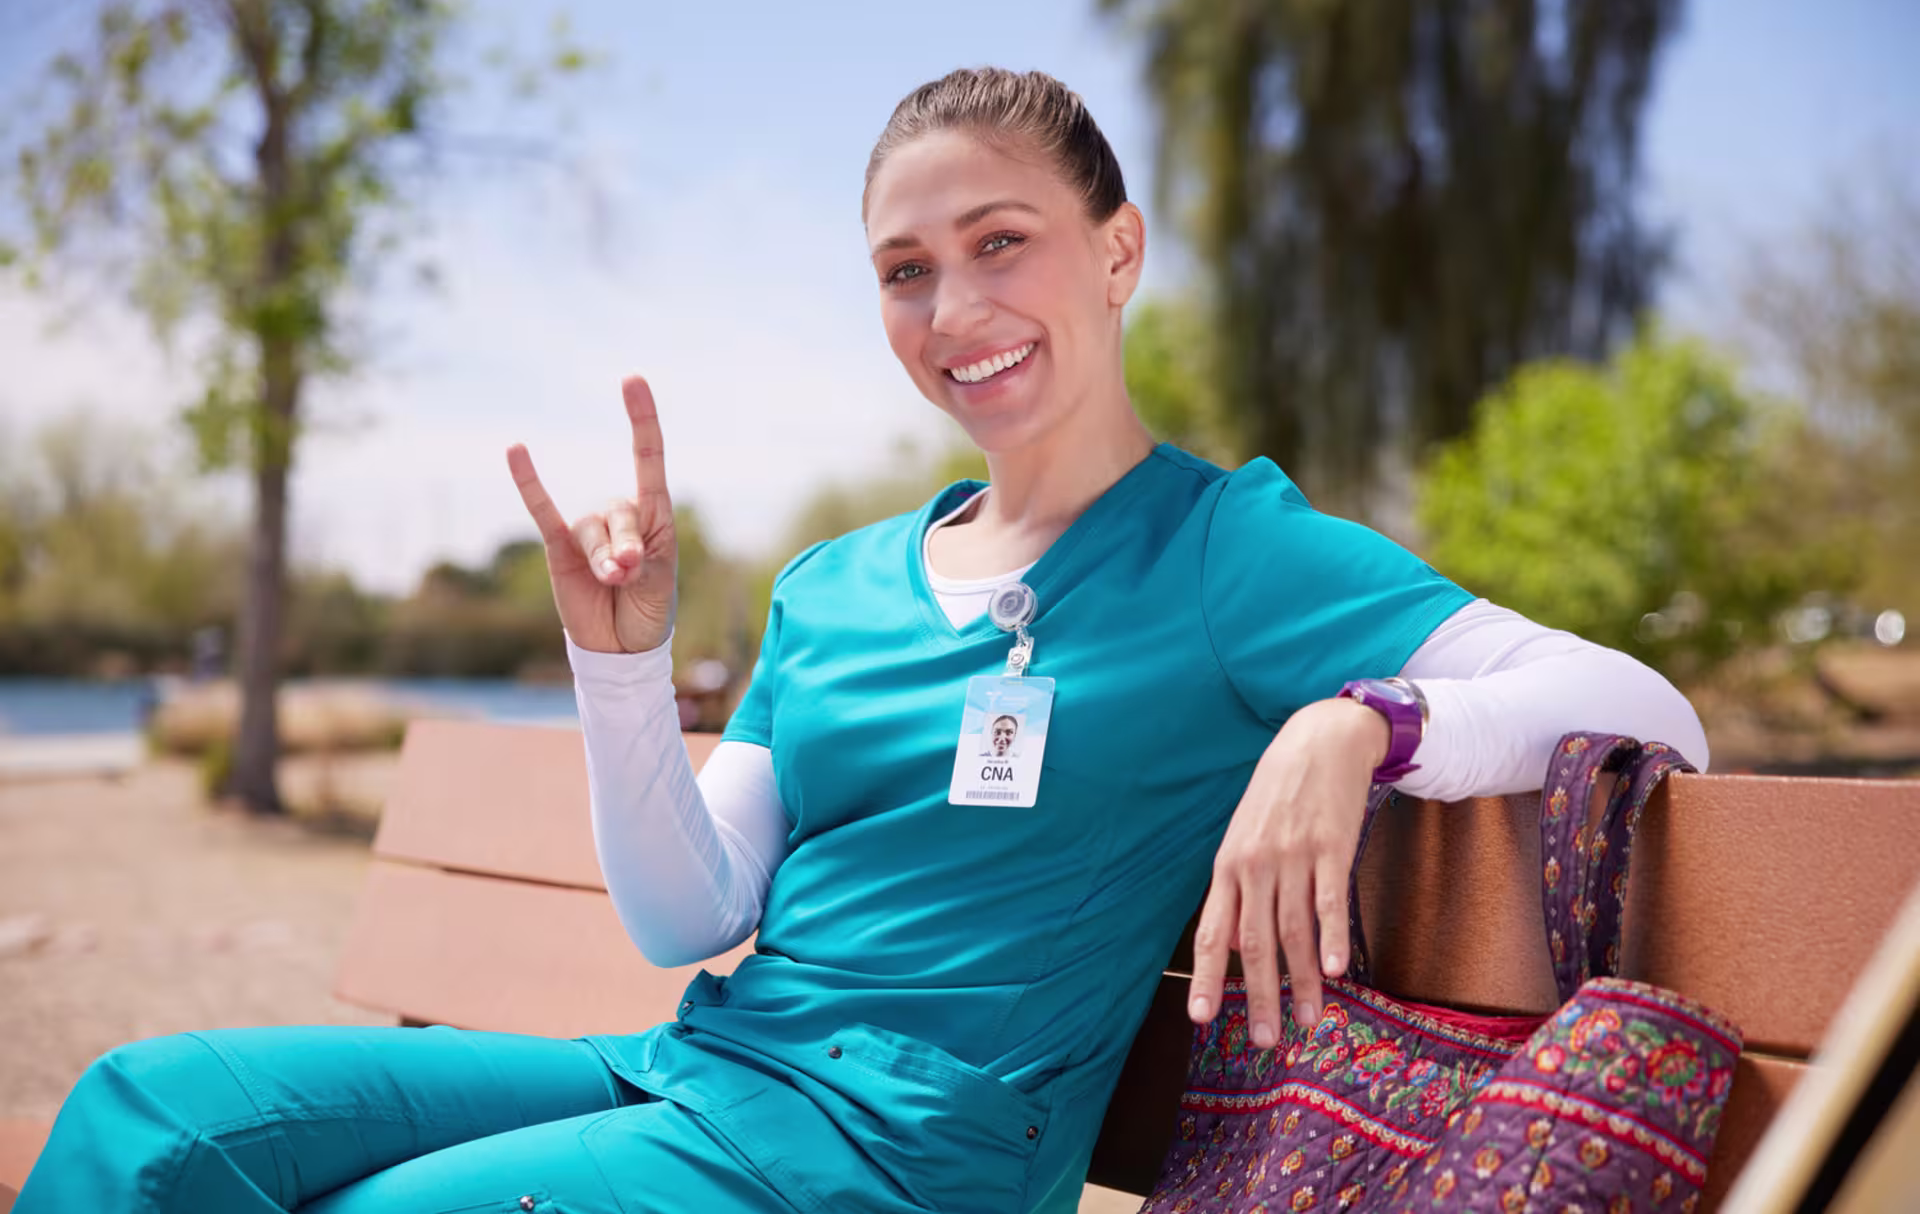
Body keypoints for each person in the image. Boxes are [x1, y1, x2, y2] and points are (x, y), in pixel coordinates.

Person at [16, 68, 1707, 1214]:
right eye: (906, 270)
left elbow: (1642, 707)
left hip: (894, 1160)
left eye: (999, 246)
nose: (952, 309)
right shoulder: (833, 584)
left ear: (1116, 254)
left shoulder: (1226, 550)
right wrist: (622, 666)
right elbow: (691, 912)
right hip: (698, 1070)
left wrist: (1363, 727)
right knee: (150, 1118)